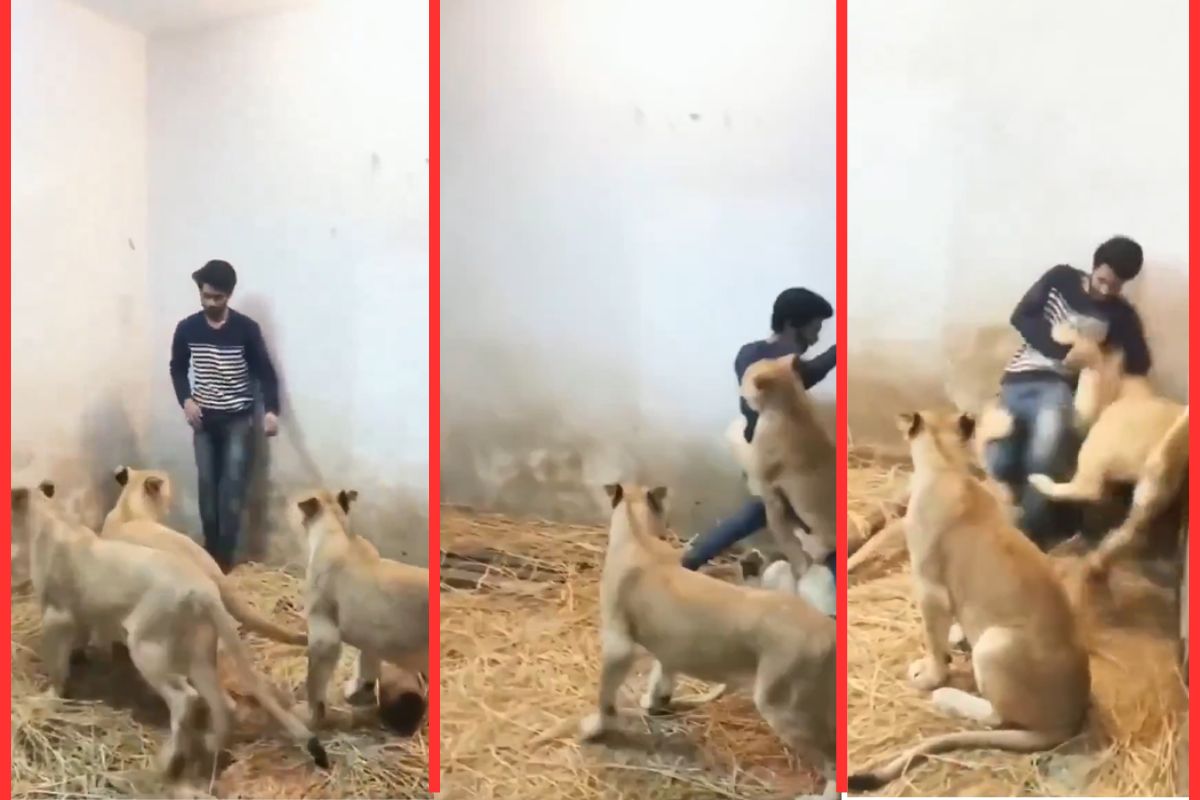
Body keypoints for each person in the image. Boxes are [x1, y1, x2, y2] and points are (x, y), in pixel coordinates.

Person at [985, 235, 1152, 549]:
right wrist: (1060, 351)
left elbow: (1140, 363)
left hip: (1059, 388)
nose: (1105, 290)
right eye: (1102, 280)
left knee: (1046, 450)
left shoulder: (1121, 315)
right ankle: (998, 523)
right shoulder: (1060, 279)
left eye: (1114, 286)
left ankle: (1025, 539)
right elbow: (1021, 317)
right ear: (1093, 266)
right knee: (998, 457)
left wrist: (1105, 359)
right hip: (1019, 378)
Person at [680, 287, 837, 574]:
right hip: (780, 459)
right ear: (791, 324)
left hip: (764, 454)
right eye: (814, 329)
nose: (816, 338)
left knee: (759, 513)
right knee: (820, 526)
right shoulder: (775, 367)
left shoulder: (749, 353)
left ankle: (691, 560)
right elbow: (801, 375)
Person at [169, 259, 281, 573]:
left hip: (237, 420)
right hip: (203, 421)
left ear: (229, 295)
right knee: (207, 490)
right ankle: (210, 558)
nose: (210, 303)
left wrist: (271, 411)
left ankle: (225, 565)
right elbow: (177, 369)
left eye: (218, 297)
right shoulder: (187, 328)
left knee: (230, 493)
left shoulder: (246, 329)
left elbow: (266, 374)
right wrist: (186, 400)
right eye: (206, 296)